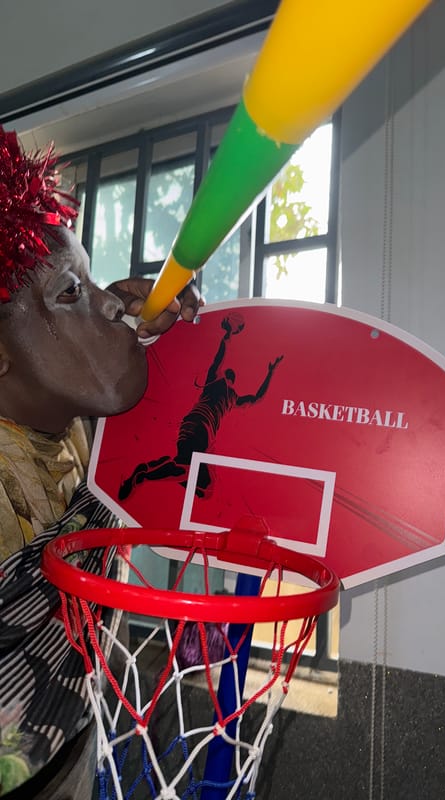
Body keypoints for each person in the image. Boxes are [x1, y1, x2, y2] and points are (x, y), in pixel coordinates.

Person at [0, 127, 203, 797]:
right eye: (69, 293)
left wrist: (128, 324)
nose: (112, 301)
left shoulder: (73, 421)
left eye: (93, 279)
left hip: (70, 744)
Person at [118, 315, 283, 501]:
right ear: (233, 380)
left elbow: (221, 363)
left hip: (197, 427)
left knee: (206, 488)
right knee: (186, 468)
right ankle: (146, 475)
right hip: (200, 427)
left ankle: (159, 468)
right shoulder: (222, 387)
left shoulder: (227, 391)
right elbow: (256, 396)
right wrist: (270, 372)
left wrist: (229, 336)